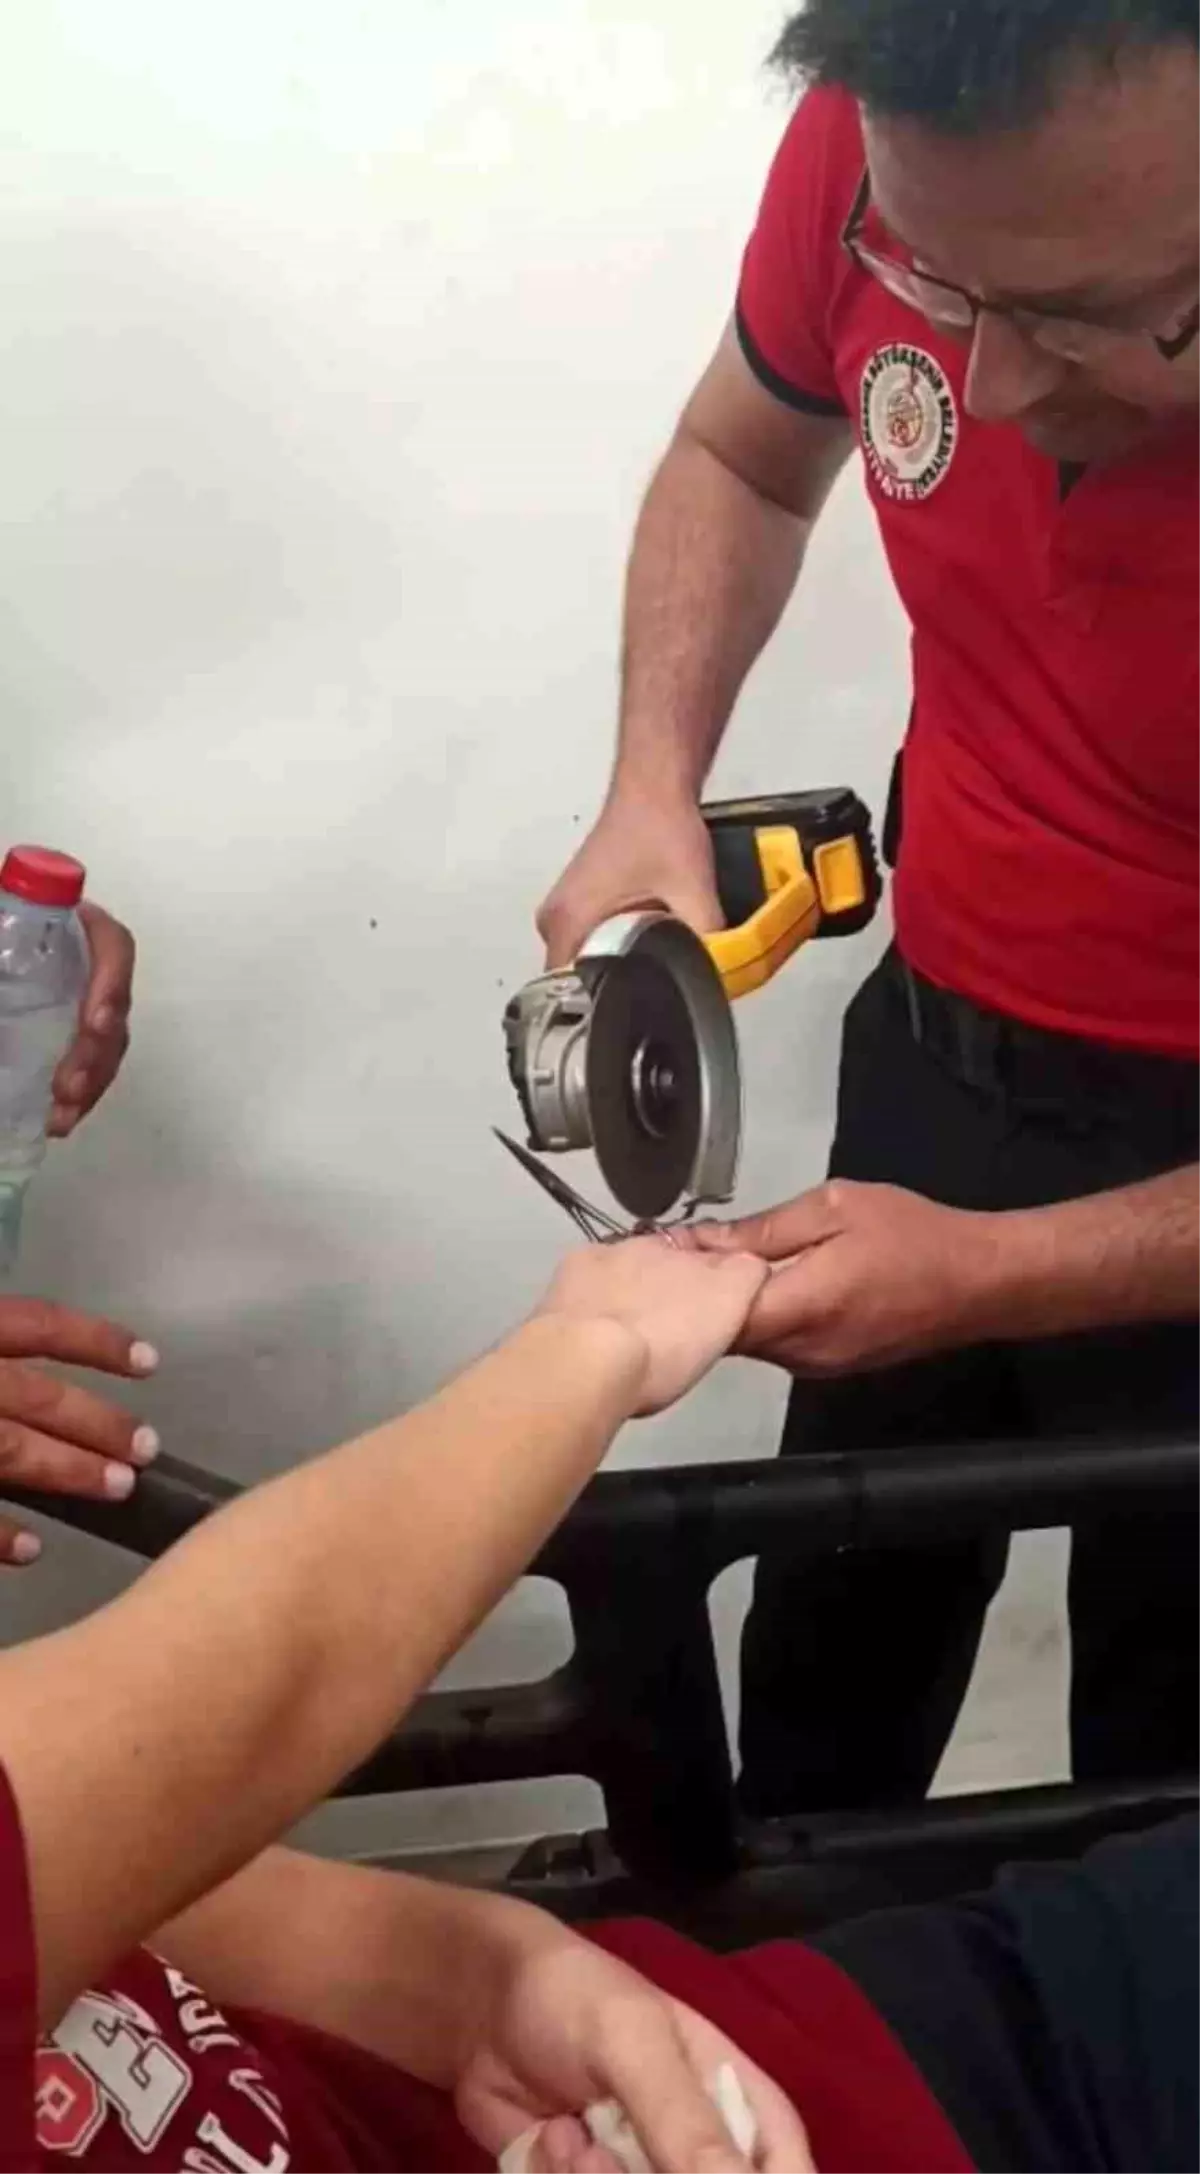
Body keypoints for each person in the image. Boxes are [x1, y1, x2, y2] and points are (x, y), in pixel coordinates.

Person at [537, 0, 1200, 1815]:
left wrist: (999, 1270)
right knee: (826, 1675)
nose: (990, 386)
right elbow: (744, 457)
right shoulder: (890, 147)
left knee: (1161, 1793)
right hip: (934, 1061)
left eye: (1083, 316)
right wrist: (650, 782)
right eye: (943, 289)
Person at [8, 1224, 1200, 2174]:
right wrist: (597, 1341)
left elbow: (111, 1878)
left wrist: (482, 1978)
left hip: (766, 2065)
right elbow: (268, 1681)